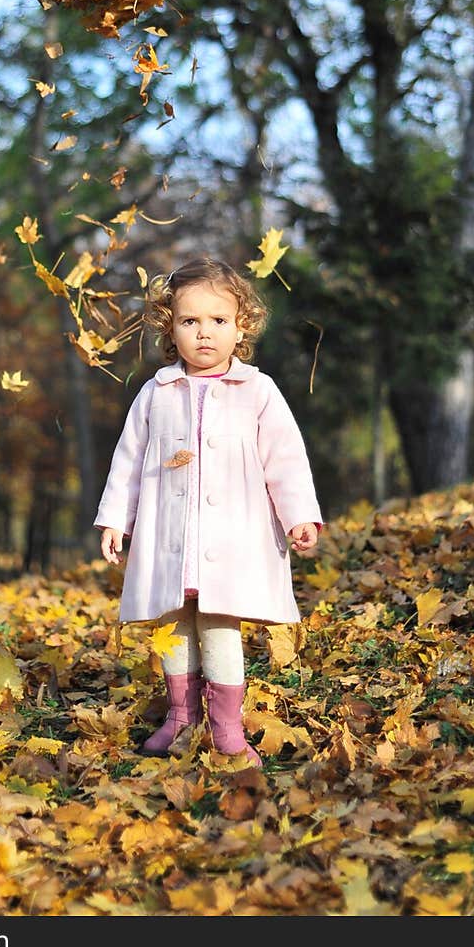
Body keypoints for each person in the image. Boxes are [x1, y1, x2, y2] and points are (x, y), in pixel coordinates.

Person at [95, 255, 322, 766]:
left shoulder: (257, 391)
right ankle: (181, 718)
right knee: (175, 626)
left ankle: (225, 726)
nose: (204, 333)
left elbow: (284, 458)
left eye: (218, 321)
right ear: (168, 327)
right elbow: (129, 459)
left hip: (231, 538)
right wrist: (115, 518)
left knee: (219, 628)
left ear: (240, 327)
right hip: (168, 534)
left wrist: (298, 516)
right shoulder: (157, 393)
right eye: (189, 321)